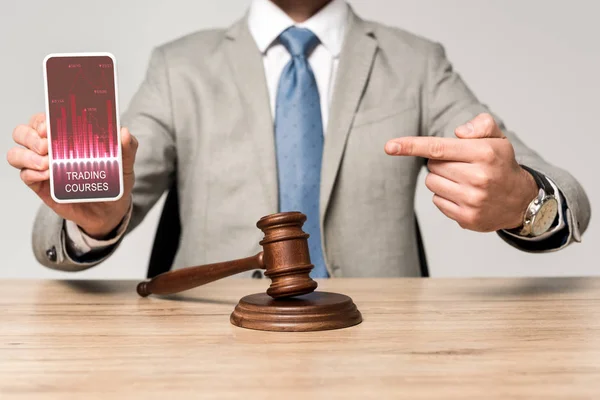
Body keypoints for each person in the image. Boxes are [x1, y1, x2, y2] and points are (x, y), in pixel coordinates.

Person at [7, 0, 590, 278]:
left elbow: (569, 196)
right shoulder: (178, 67)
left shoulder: (416, 63)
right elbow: (57, 236)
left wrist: (522, 201)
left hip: (382, 355)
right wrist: (97, 219)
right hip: (211, 356)